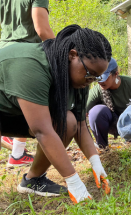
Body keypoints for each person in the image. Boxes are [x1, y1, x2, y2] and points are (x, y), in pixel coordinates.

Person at [0, 24, 112, 204]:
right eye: (90, 74)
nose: (91, 81)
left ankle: (33, 181)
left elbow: (80, 125)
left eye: (96, 77)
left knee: (67, 122)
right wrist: (73, 181)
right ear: (72, 55)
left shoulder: (79, 78)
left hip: (15, 113)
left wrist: (96, 162)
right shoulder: (32, 65)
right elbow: (42, 131)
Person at [0, 0, 55, 167]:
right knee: (40, 110)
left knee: (13, 106)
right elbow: (42, 29)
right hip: (27, 56)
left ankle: (17, 153)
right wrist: (61, 54)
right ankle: (37, 173)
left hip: (4, 52)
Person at [87, 58, 131, 148]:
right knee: (96, 111)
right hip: (113, 124)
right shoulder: (97, 90)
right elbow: (81, 115)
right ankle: (103, 147)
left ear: (116, 74)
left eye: (104, 78)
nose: (100, 82)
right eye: (98, 77)